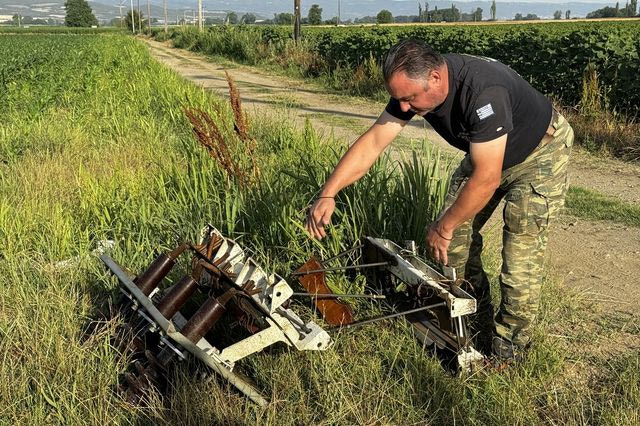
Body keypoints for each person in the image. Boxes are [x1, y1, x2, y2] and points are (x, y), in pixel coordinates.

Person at [304, 38, 573, 362]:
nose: (403, 108)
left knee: (518, 260)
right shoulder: (413, 89)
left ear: (435, 78)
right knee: (454, 246)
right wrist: (328, 192)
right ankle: (474, 323)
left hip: (540, 155)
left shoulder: (482, 92)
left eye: (409, 99)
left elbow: (486, 179)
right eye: (398, 99)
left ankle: (510, 353)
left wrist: (444, 226)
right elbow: (374, 142)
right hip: (488, 153)